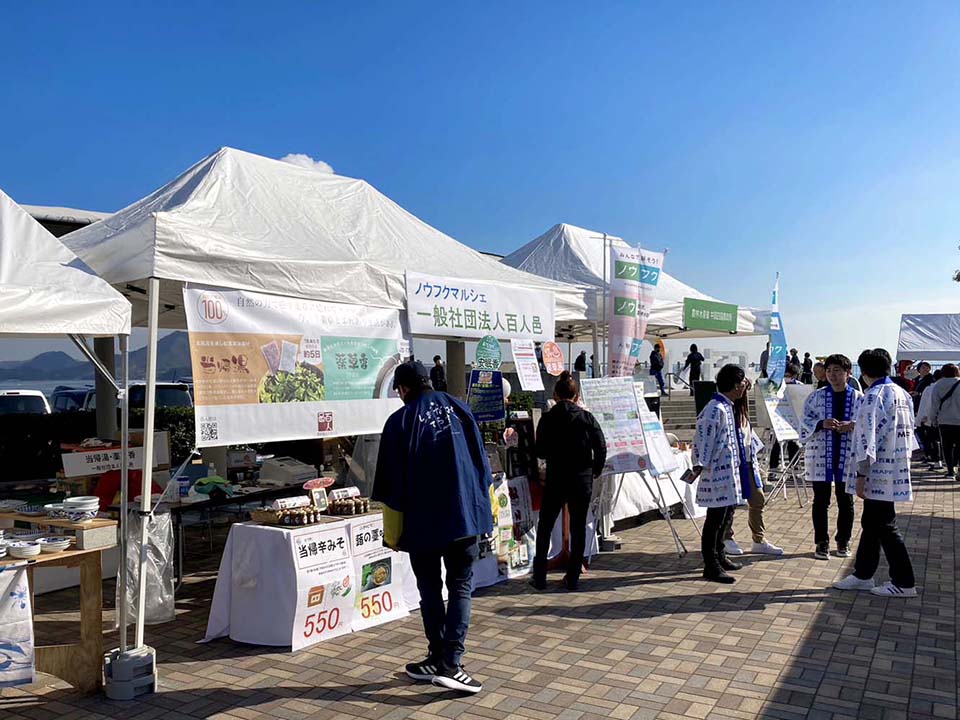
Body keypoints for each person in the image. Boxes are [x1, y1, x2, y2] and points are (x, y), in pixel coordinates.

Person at [372, 361, 493, 693]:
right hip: (464, 516)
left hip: (422, 520)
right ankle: (444, 658)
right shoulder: (460, 409)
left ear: (404, 388)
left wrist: (393, 532)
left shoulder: (400, 421)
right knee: (459, 586)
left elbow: (389, 485)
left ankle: (447, 661)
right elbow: (483, 466)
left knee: (430, 587)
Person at [834, 348, 918, 598]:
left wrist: (861, 474)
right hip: (896, 468)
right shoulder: (902, 393)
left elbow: (865, 439)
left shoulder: (873, 396)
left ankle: (904, 581)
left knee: (885, 525)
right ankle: (863, 574)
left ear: (863, 371)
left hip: (877, 471)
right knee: (872, 523)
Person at [532, 371, 606, 591]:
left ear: (555, 394)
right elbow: (601, 445)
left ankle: (540, 577)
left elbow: (541, 450)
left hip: (556, 477)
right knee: (578, 527)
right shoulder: (586, 417)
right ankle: (572, 577)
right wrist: (596, 469)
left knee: (545, 527)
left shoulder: (548, 418)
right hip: (581, 478)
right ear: (576, 396)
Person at [691, 364, 761, 583]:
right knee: (715, 520)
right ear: (733, 385)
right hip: (717, 476)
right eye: (741, 384)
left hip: (729, 475)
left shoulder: (727, 406)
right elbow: (703, 441)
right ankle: (710, 564)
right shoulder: (715, 409)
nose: (743, 388)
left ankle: (720, 555)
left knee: (725, 518)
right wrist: (698, 465)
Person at [799, 354, 862, 560]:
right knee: (820, 501)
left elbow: (867, 424)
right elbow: (804, 421)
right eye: (829, 371)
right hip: (821, 456)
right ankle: (821, 542)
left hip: (847, 456)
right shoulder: (816, 397)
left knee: (846, 501)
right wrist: (820, 424)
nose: (832, 375)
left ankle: (843, 541)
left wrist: (852, 425)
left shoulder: (859, 398)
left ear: (848, 373)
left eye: (837, 371)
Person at [723, 389, 784, 557]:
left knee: (757, 499)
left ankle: (759, 539)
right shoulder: (723, 409)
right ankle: (726, 537)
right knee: (730, 502)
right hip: (731, 463)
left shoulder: (743, 412)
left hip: (748, 461)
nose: (744, 390)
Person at [768, 364, 802, 470]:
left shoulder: (800, 386)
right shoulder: (776, 386)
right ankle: (773, 466)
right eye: (785, 375)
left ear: (795, 376)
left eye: (788, 375)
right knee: (777, 444)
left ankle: (794, 466)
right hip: (778, 418)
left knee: (794, 444)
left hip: (794, 419)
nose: (786, 377)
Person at [929, 364, 960, 480]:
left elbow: (934, 405)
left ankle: (950, 471)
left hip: (944, 421)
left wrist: (933, 419)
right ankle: (957, 465)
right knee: (958, 446)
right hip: (959, 421)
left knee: (947, 446)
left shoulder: (938, 385)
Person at [916, 368, 943, 469]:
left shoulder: (929, 388)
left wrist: (921, 419)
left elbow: (925, 405)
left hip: (933, 419)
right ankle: (952, 465)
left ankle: (937, 461)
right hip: (953, 419)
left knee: (934, 441)